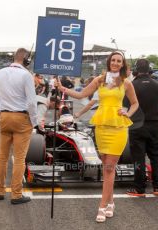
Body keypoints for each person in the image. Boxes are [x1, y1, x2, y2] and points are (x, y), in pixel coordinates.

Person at [56, 51, 138, 223]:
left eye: (119, 61)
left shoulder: (126, 83)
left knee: (109, 167)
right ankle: (111, 202)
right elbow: (81, 95)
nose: (115, 63)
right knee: (107, 167)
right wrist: (63, 89)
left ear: (122, 64)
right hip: (101, 128)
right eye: (113, 60)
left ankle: (101, 206)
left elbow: (135, 103)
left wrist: (128, 112)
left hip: (118, 128)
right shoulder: (99, 80)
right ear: (109, 62)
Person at [0, 48, 37, 205]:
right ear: (26, 60)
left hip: (4, 116)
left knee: (2, 156)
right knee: (19, 158)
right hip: (21, 118)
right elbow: (31, 102)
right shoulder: (26, 75)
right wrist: (34, 121)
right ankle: (16, 194)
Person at [124, 58, 158, 197]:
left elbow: (126, 104)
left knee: (138, 158)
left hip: (137, 125)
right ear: (150, 70)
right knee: (156, 156)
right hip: (154, 125)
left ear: (136, 70)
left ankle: (139, 189)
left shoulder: (132, 85)